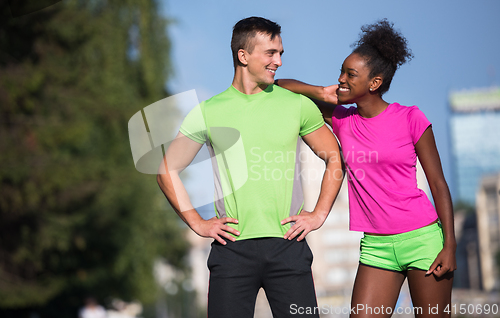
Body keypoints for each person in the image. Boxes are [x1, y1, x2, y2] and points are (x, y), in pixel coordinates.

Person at [157, 16, 343, 318]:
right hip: (231, 251)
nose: (279, 61)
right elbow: (166, 170)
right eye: (271, 53)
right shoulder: (208, 111)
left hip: (288, 246)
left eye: (281, 53)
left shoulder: (296, 105)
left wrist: (319, 213)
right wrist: (197, 222)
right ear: (243, 56)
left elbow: (334, 157)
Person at [276, 19, 456, 318]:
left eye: (351, 74)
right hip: (376, 246)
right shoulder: (343, 120)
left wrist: (449, 245)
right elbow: (281, 88)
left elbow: (438, 184)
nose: (341, 79)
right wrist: (322, 92)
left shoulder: (411, 118)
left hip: (423, 240)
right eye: (341, 72)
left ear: (374, 83)